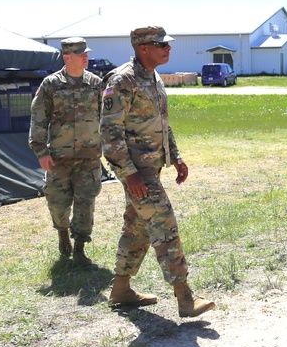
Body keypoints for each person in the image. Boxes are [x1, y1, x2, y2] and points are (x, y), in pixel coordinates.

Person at [100, 26, 215, 317]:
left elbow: (163, 122)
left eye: (167, 44)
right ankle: (185, 298)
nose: (168, 49)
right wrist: (129, 174)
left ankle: (121, 289)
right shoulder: (122, 80)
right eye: (160, 44)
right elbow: (109, 133)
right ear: (142, 48)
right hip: (138, 172)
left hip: (153, 166)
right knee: (165, 226)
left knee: (137, 228)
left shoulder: (154, 77)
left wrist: (174, 155)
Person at [28, 37, 104, 267]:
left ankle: (80, 246)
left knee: (86, 202)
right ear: (67, 57)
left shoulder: (96, 83)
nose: (85, 57)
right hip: (59, 156)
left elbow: (107, 117)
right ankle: (62, 231)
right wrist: (41, 151)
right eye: (80, 53)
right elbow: (38, 118)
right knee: (58, 203)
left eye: (86, 53)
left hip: (89, 155)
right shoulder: (51, 84)